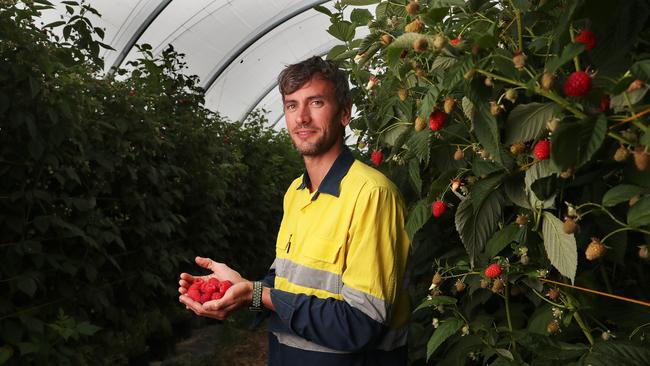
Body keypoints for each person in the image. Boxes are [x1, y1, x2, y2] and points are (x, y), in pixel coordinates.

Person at [178, 56, 410, 366]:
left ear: (344, 113)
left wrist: (257, 295)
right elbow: (285, 284)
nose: (301, 118)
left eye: (315, 102)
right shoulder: (296, 193)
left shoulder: (372, 195)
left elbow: (360, 324)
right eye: (291, 105)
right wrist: (241, 289)